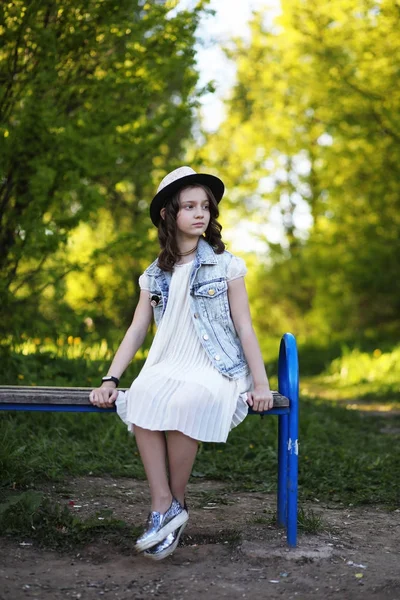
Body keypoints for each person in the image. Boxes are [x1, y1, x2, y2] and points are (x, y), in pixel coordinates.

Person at [89, 166, 273, 560]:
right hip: (168, 363)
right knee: (142, 396)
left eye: (205, 206)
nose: (200, 213)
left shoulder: (227, 266)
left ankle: (176, 502)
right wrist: (110, 378)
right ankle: (163, 504)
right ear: (167, 214)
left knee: (186, 402)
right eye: (189, 206)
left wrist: (260, 383)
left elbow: (244, 326)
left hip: (216, 367)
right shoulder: (154, 275)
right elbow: (137, 330)